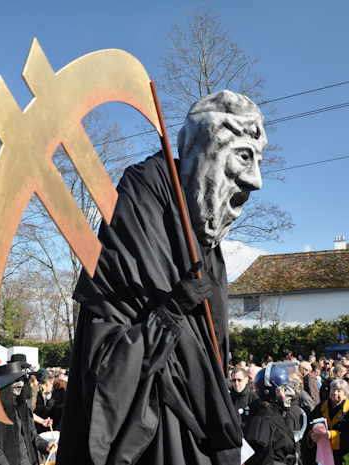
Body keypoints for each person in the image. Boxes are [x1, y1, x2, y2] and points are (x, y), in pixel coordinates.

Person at [58, 90, 266, 465]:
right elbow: (106, 365)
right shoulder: (145, 197)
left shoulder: (206, 244)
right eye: (244, 157)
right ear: (205, 151)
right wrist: (170, 312)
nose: (256, 180)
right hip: (157, 437)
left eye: (259, 159)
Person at [0, 361, 56, 465]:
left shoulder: (22, 407)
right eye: (16, 386)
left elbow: (32, 435)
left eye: (21, 386)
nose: (19, 391)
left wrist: (45, 445)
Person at [244, 365, 297, 465]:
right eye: (284, 389)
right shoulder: (262, 420)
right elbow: (258, 459)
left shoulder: (278, 414)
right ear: (269, 392)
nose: (291, 393)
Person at [308, 379, 349, 465]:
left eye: (339, 391)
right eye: (333, 390)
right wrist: (312, 435)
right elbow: (311, 424)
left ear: (345, 394)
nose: (335, 393)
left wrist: (332, 435)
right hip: (322, 454)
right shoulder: (320, 407)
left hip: (342, 455)